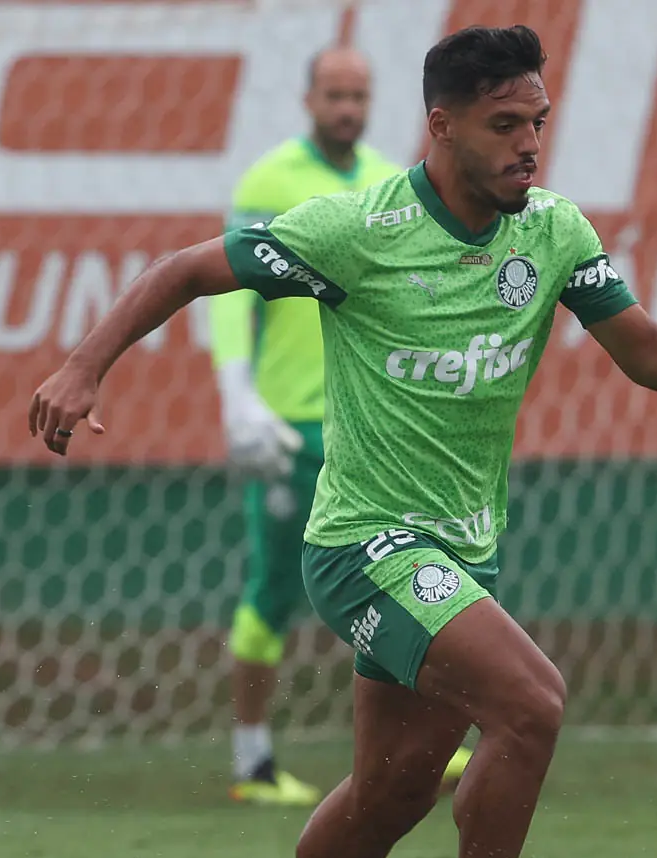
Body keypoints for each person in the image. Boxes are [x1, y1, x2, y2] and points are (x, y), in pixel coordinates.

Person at [29, 25, 657, 858]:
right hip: (360, 543)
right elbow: (187, 268)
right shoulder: (357, 228)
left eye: (539, 123)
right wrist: (79, 367)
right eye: (506, 125)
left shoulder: (554, 232)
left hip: (458, 551)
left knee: (393, 787)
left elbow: (648, 356)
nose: (530, 146)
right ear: (442, 126)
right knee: (532, 702)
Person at [211, 47, 400, 806]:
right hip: (290, 427)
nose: (348, 108)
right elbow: (230, 291)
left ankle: (411, 744)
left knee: (403, 578)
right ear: (308, 98)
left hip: (374, 424)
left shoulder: (391, 181)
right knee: (278, 586)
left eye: (359, 94)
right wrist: (238, 396)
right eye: (335, 94)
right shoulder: (270, 181)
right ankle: (252, 759)